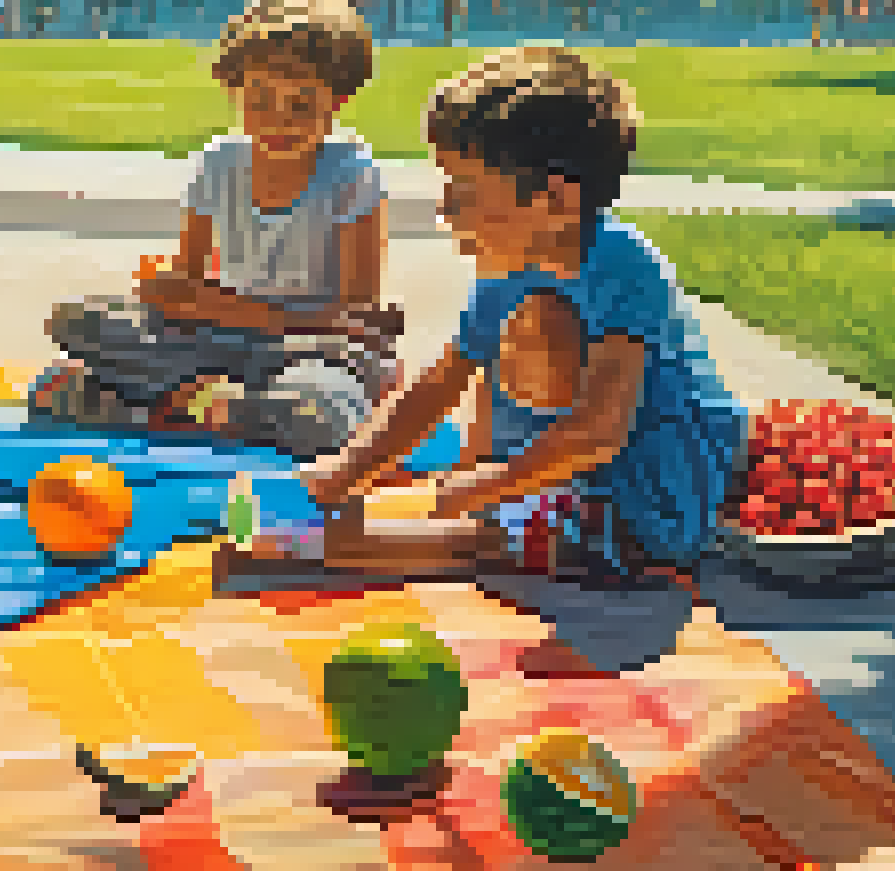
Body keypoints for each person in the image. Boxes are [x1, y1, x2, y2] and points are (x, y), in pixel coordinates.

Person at [301, 47, 746, 674]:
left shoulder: (623, 267)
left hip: (647, 492)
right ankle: (503, 510)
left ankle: (489, 529)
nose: (445, 209)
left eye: (465, 190)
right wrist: (349, 469)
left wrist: (485, 487)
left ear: (556, 202)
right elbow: (438, 386)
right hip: (564, 471)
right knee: (515, 335)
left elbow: (600, 430)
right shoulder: (507, 265)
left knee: (371, 545)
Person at [30, 0, 402, 458]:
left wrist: (243, 313)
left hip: (312, 349)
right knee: (78, 319)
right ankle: (217, 407)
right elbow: (185, 283)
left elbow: (357, 312)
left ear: (339, 99)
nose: (278, 121)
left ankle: (162, 407)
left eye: (302, 106)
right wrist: (171, 292)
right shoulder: (219, 163)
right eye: (260, 101)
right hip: (217, 342)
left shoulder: (350, 173)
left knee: (323, 418)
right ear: (233, 89)